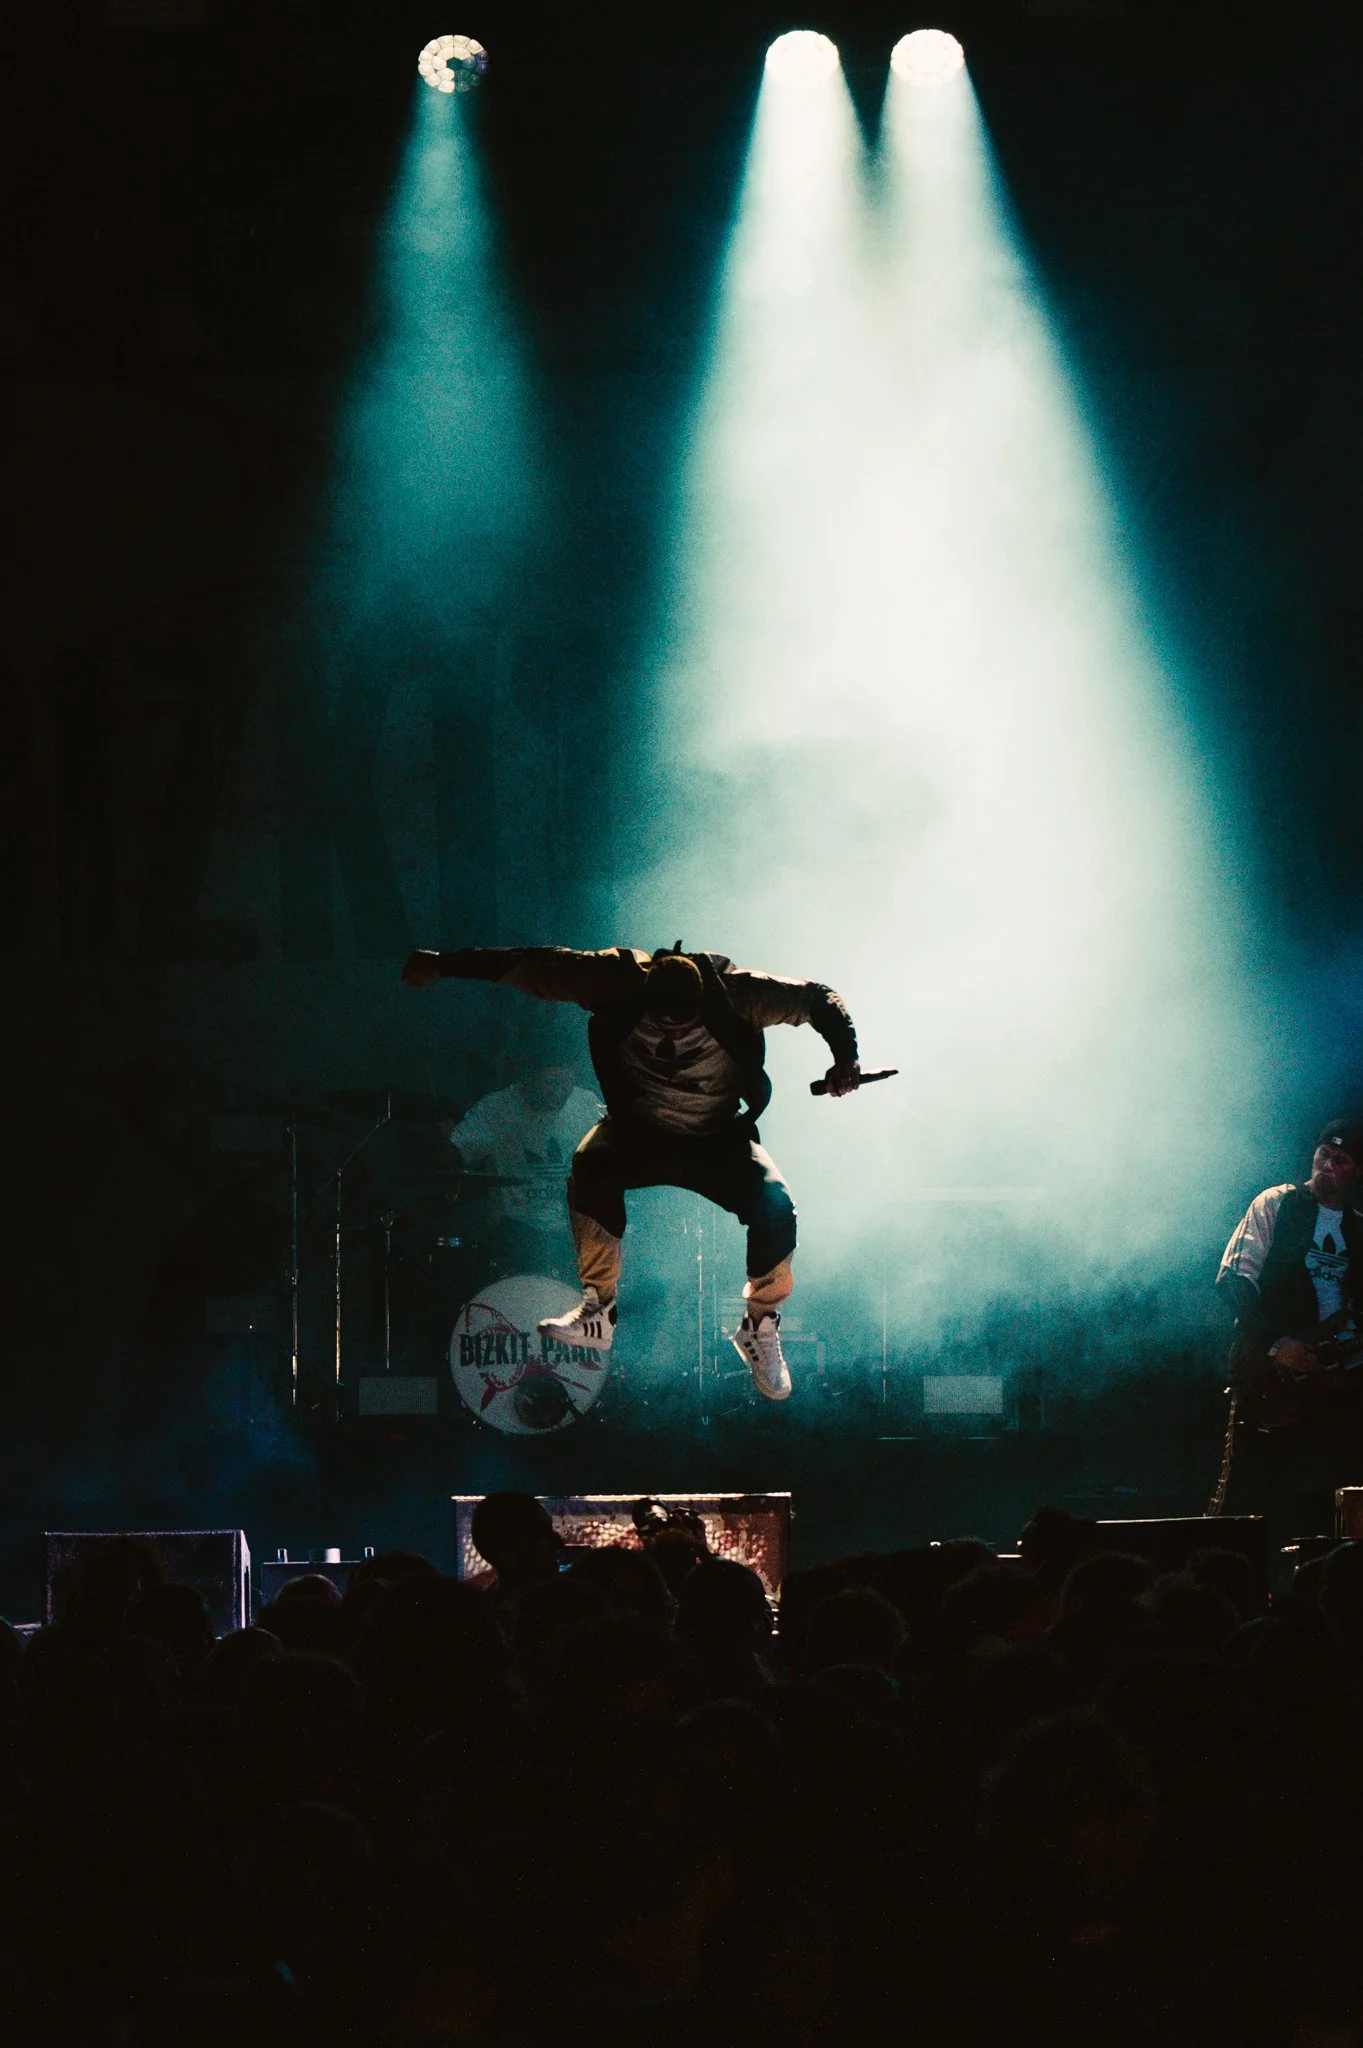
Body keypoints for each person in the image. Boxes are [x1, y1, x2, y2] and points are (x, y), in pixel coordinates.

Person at [402, 943, 863, 1398]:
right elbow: (527, 964)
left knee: (776, 1206)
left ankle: (760, 1324)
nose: (668, 1041)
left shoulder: (741, 993)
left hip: (716, 1138)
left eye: (682, 1029)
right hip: (637, 1132)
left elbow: (817, 997)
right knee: (589, 1163)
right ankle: (597, 1309)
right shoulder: (611, 979)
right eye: (658, 1025)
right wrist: (444, 964)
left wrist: (846, 1057)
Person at [1215, 1117, 1363, 1529]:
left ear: (1357, 1170)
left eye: (1341, 1159)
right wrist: (1277, 1343)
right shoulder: (1278, 1203)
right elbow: (1234, 1279)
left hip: (1334, 1386)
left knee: (1327, 1511)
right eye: (1324, 1154)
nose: (1327, 1165)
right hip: (1271, 1377)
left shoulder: (1359, 1230)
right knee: (1248, 1507)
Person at [447, 1058, 601, 1280]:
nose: (558, 1091)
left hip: (572, 1229)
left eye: (565, 1082)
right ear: (529, 1077)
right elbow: (456, 1153)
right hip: (516, 1229)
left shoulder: (586, 1104)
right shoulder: (498, 1109)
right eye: (549, 1083)